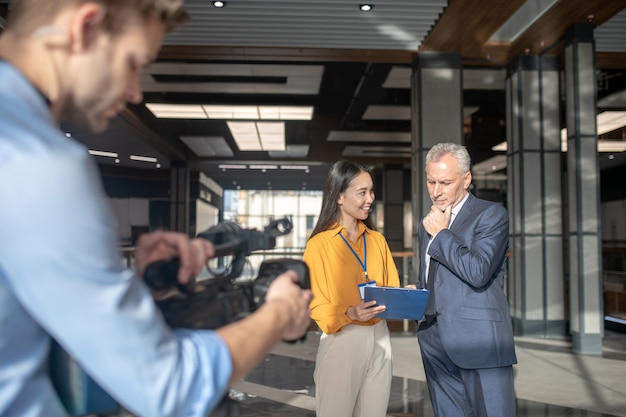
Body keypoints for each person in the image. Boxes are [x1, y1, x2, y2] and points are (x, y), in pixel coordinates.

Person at [0, 1, 312, 416]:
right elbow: (168, 389)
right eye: (133, 63)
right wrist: (278, 313)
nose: (135, 91)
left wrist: (136, 291)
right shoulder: (40, 160)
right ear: (85, 27)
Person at [416, 142, 517, 416]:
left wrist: (441, 235)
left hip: (479, 340)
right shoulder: (428, 222)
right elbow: (433, 277)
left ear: (466, 179)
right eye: (431, 181)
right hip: (434, 339)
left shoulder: (491, 215)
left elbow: (478, 271)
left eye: (445, 183)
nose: (436, 191)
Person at [303, 160, 400, 417]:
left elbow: (391, 287)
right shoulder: (320, 245)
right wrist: (349, 313)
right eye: (362, 192)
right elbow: (315, 304)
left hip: (380, 337)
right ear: (339, 197)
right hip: (343, 339)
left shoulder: (377, 240)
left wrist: (404, 295)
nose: (370, 198)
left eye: (371, 191)